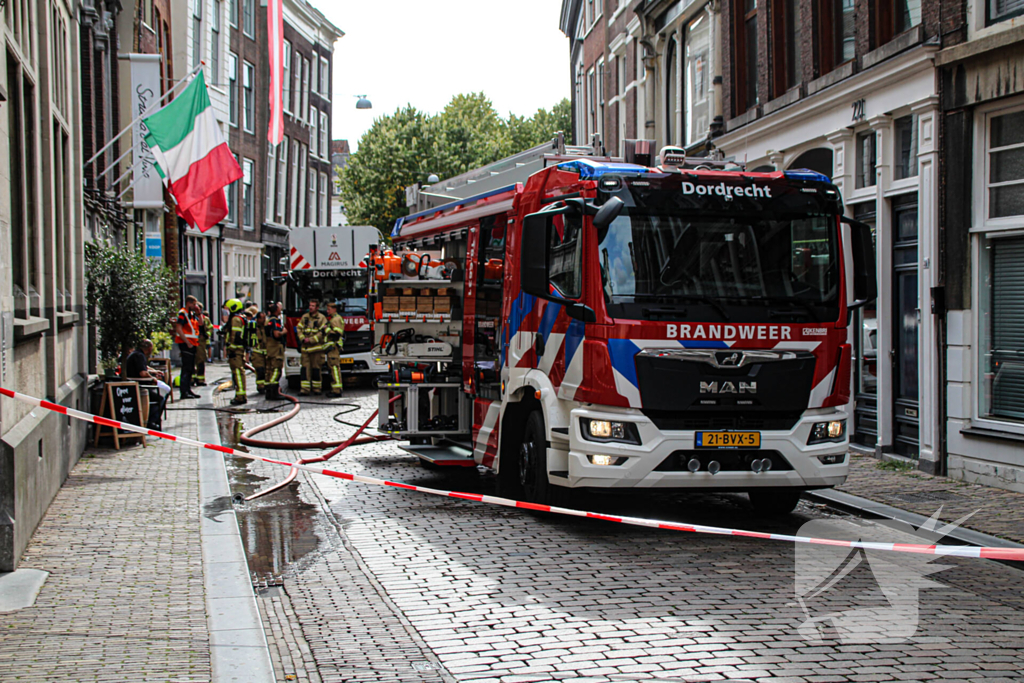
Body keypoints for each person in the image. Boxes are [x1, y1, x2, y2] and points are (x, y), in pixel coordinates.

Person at [124, 339, 170, 430]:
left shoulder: (136, 354)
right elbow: (143, 373)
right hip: (140, 386)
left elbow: (144, 367)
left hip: (136, 384)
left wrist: (154, 371)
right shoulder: (139, 356)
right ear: (149, 349)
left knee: (163, 391)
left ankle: (153, 419)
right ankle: (152, 421)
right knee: (160, 397)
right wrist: (153, 379)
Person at [297, 299, 327, 395]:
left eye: (313, 306)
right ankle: (304, 390)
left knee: (316, 369)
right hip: (305, 349)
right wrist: (302, 339)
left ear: (317, 308)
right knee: (305, 370)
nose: (310, 307)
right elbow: (299, 329)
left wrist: (310, 340)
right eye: (310, 305)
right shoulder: (304, 317)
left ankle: (317, 389)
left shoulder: (322, 318)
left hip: (316, 349)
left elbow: (322, 333)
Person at [174, 295, 201, 399]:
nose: (195, 306)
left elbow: (201, 324)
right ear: (188, 303)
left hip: (193, 344)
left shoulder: (192, 314)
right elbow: (179, 328)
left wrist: (199, 313)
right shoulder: (183, 313)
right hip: (186, 344)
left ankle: (188, 390)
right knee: (186, 368)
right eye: (193, 304)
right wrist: (187, 341)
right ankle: (184, 392)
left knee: (190, 368)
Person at [224, 298, 248, 405]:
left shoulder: (236, 319)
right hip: (239, 349)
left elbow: (236, 336)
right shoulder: (240, 318)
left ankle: (240, 396)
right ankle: (241, 394)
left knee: (238, 372)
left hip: (236, 350)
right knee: (238, 372)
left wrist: (232, 348)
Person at [265, 303, 287, 400]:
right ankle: (273, 392)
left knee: (269, 370)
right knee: (276, 370)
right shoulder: (275, 321)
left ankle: (269, 392)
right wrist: (284, 332)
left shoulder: (268, 320)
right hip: (276, 347)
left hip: (269, 347)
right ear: (276, 310)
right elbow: (277, 334)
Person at [323, 301, 346, 397]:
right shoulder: (334, 319)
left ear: (334, 309)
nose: (327, 311)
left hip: (333, 348)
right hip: (332, 348)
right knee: (333, 368)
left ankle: (336, 390)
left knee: (334, 368)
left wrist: (326, 329)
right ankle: (336, 388)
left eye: (329, 309)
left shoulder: (335, 320)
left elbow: (337, 334)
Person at [194, 303, 213, 386]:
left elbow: (210, 328)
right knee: (192, 361)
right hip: (192, 341)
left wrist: (207, 334)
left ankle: (200, 379)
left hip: (201, 342)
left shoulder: (205, 319)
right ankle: (192, 379)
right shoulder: (191, 318)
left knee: (201, 360)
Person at [250, 310, 268, 394]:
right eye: (262, 318)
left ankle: (266, 386)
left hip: (266, 352)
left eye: (264, 318)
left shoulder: (267, 327)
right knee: (260, 370)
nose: (264, 320)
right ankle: (260, 387)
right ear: (257, 319)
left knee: (267, 371)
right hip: (257, 352)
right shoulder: (253, 327)